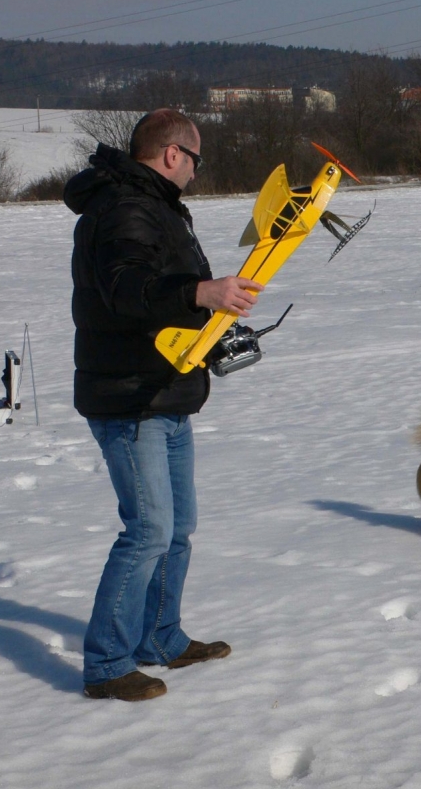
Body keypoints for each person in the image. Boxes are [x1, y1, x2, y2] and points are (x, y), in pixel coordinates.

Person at [64, 109, 264, 701]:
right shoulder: (126, 206)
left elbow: (161, 297)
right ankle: (106, 665)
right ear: (173, 154)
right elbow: (127, 289)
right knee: (149, 529)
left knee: (178, 527)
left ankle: (160, 638)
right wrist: (202, 291)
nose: (198, 173)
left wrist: (208, 313)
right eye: (196, 160)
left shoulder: (153, 205)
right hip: (131, 396)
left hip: (165, 389)